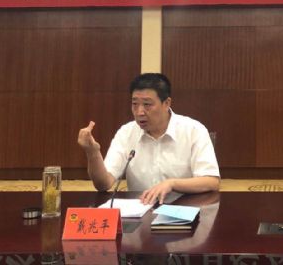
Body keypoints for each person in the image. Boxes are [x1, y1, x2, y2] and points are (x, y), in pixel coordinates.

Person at [77, 73, 220, 205]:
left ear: (166, 103)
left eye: (147, 104)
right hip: (139, 211)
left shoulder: (193, 130)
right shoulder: (126, 132)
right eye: (135, 104)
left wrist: (172, 184)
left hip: (183, 210)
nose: (139, 112)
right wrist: (92, 152)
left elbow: (211, 181)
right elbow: (103, 184)